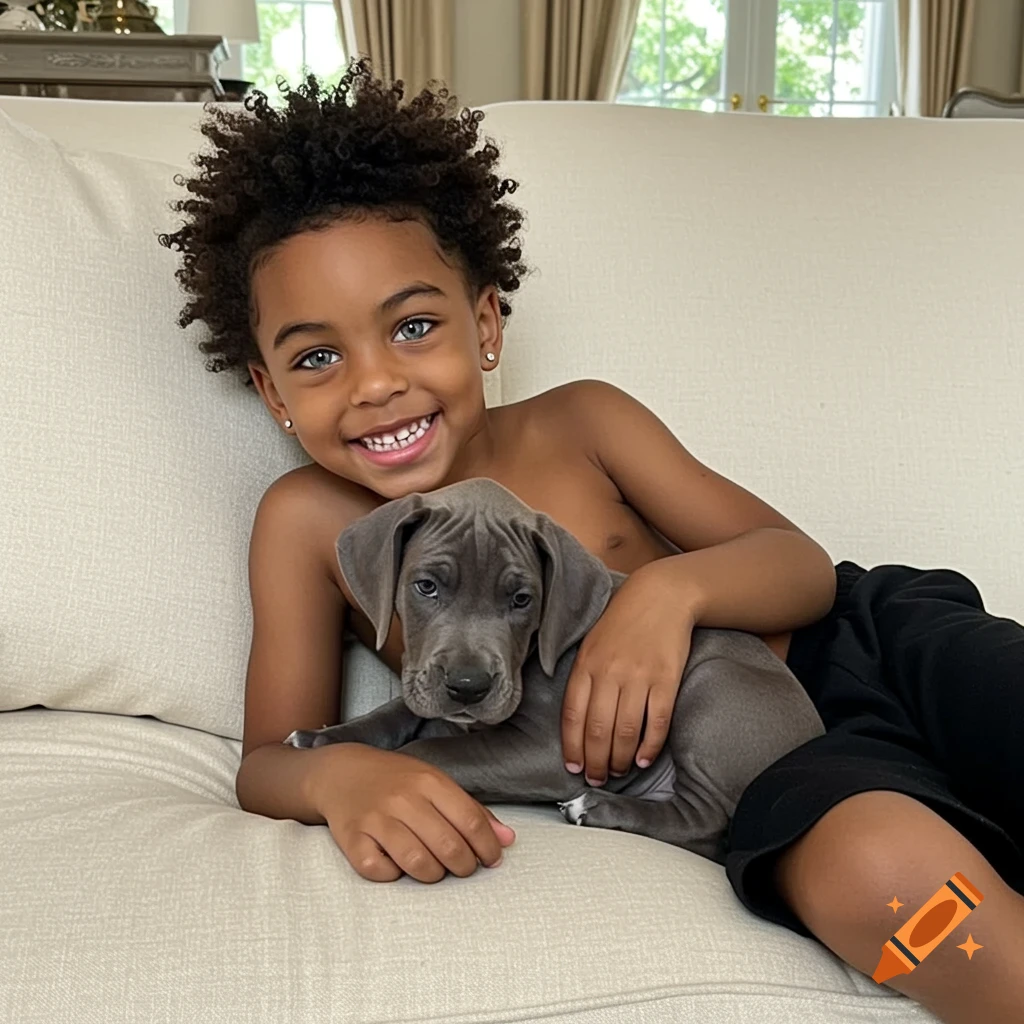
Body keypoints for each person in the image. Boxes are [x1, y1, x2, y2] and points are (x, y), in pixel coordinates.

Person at [158, 60, 1024, 1023]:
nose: (373, 382)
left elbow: (802, 568)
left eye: (412, 326)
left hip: (877, 641)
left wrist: (665, 596)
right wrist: (338, 772)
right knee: (887, 883)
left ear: (485, 322)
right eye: (318, 356)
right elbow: (270, 756)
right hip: (770, 763)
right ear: (272, 390)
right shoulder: (308, 523)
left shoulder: (584, 421)